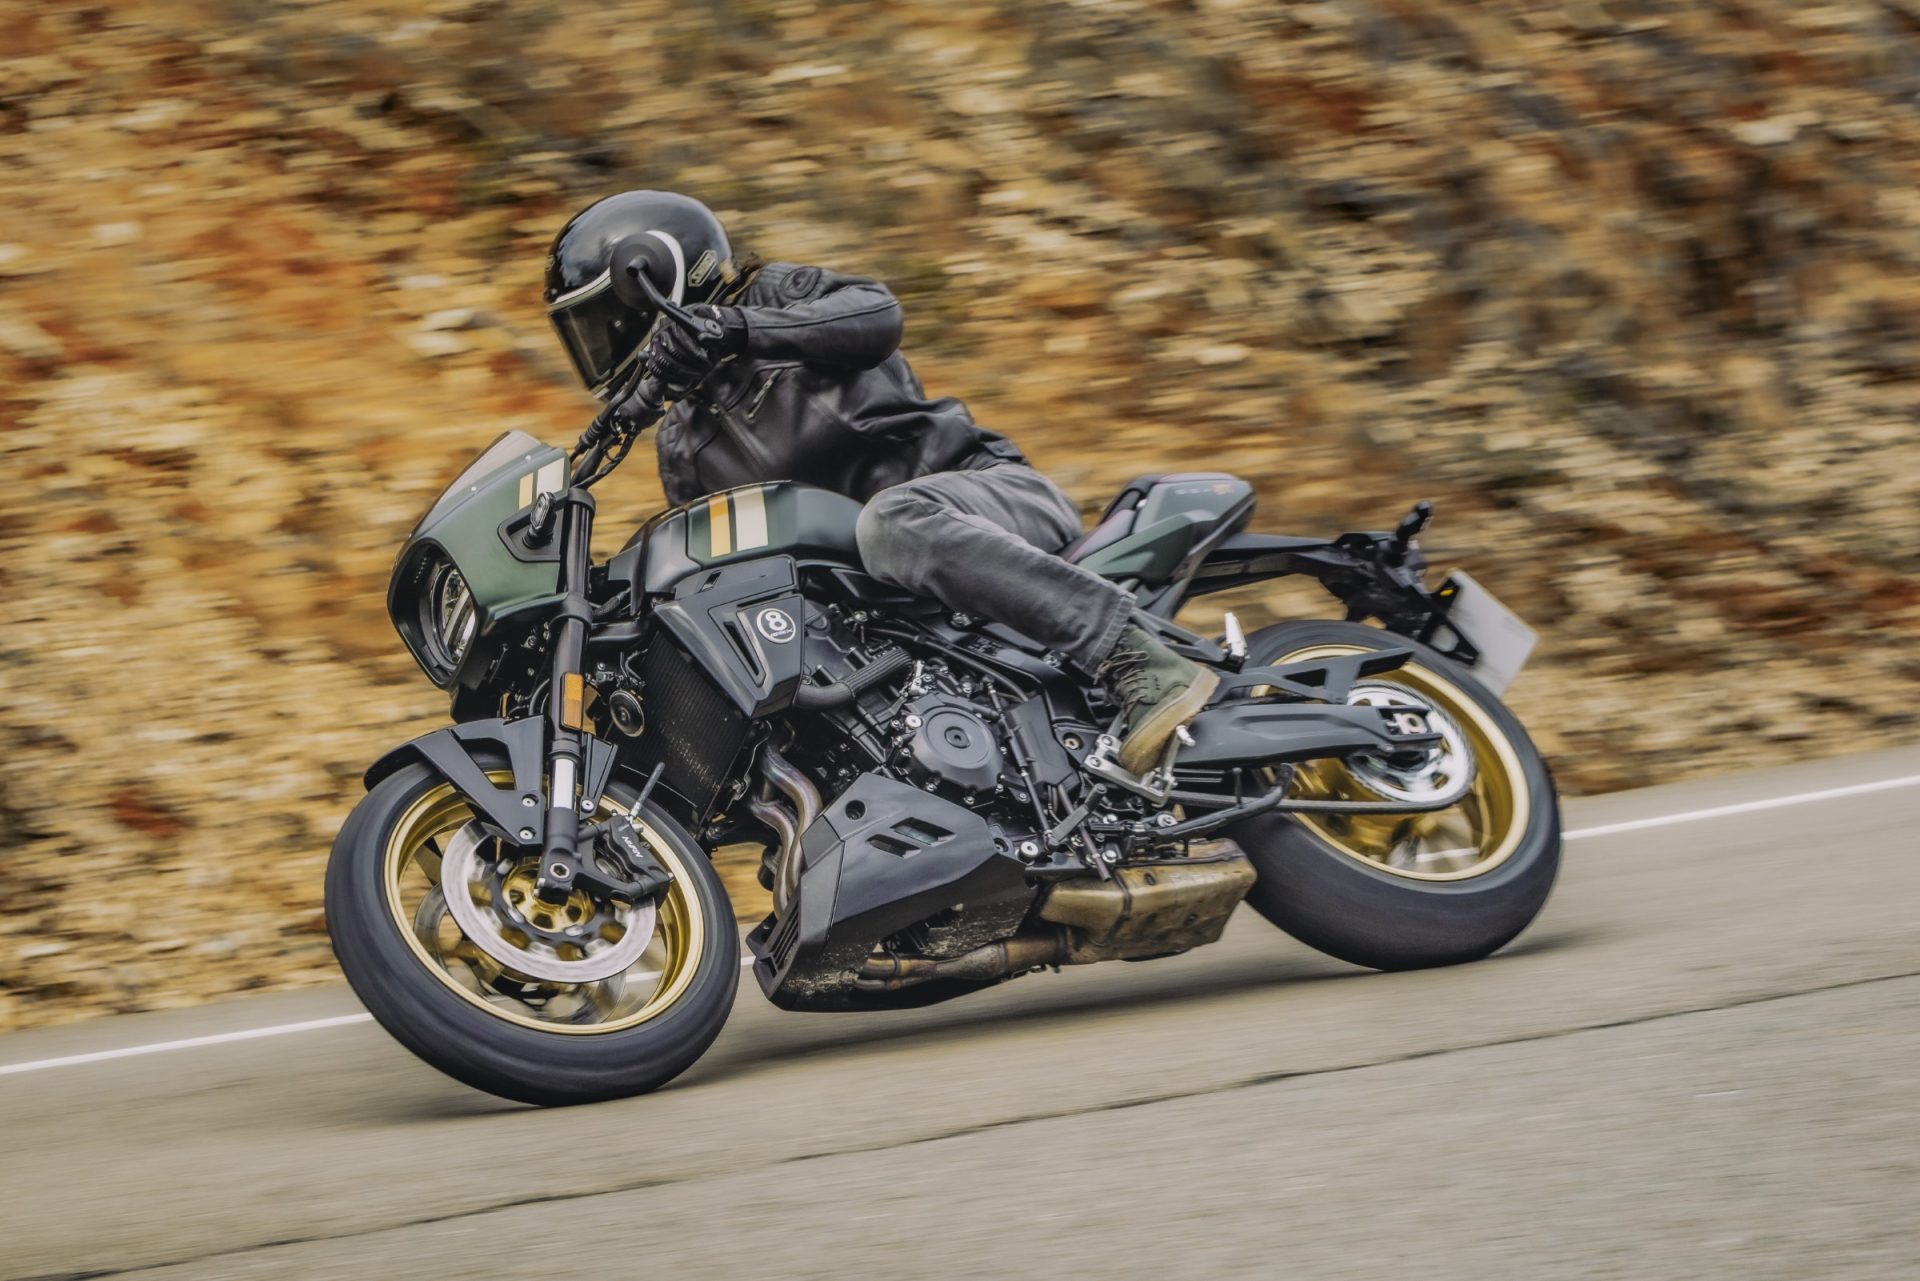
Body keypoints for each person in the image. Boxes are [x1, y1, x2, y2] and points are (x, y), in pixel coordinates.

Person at [543, 190, 1217, 772]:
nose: (602, 348)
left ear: (651, 277)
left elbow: (877, 318)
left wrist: (738, 329)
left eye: (601, 323)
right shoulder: (681, 443)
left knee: (893, 522)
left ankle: (1136, 658)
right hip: (890, 612)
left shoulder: (777, 295)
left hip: (981, 497)